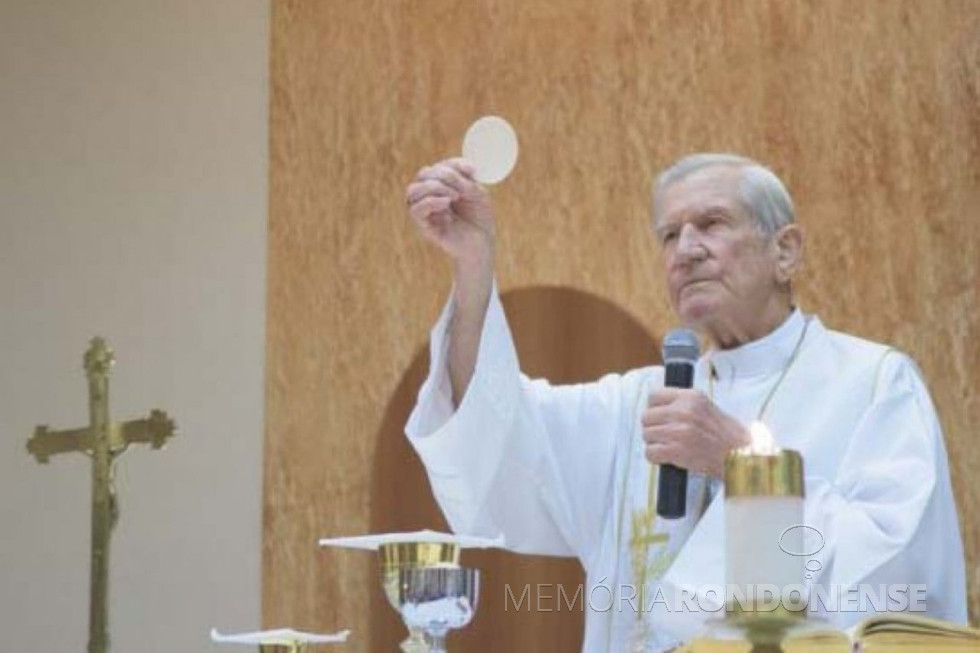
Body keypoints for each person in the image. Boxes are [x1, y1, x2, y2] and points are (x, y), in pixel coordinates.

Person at [403, 153, 967, 651]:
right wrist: (474, 263)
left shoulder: (873, 383)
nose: (686, 250)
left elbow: (903, 578)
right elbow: (493, 430)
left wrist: (742, 467)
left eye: (712, 224)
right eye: (670, 235)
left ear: (786, 251)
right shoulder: (639, 403)